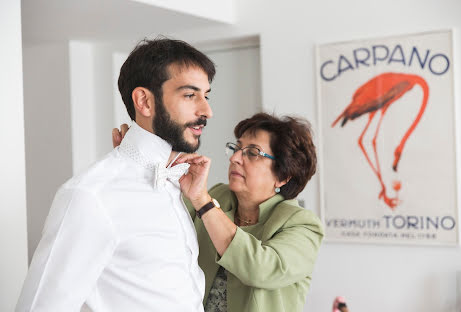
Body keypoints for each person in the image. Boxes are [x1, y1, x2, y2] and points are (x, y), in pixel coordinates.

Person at [16, 37, 216, 312]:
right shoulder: (90, 196)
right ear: (144, 101)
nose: (207, 111)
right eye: (190, 95)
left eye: (206, 95)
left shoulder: (175, 182)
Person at [114, 112, 324, 312]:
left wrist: (203, 202)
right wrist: (136, 164)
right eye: (237, 148)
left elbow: (261, 269)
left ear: (283, 176)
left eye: (252, 153)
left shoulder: (303, 225)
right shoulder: (220, 196)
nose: (235, 158)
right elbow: (160, 219)